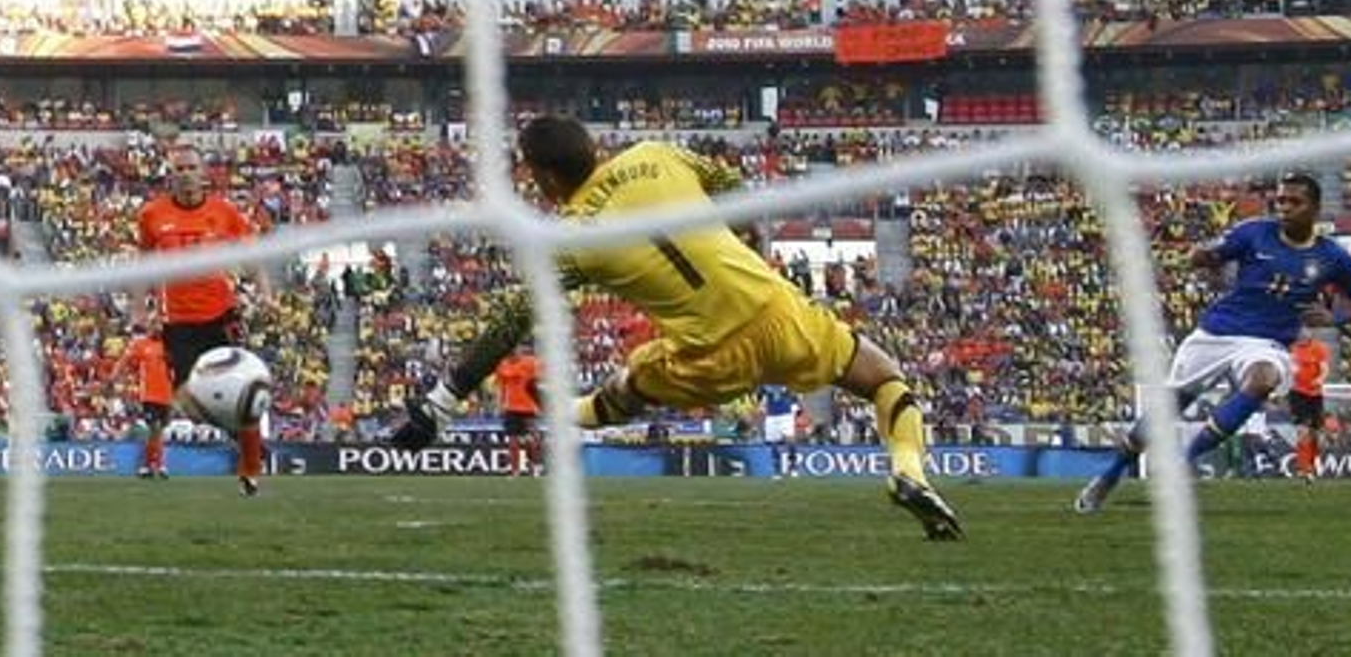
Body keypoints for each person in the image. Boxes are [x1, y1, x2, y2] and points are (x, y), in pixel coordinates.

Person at [394, 115, 961, 540]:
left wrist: (442, 403)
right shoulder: (657, 154)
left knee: (630, 387)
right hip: (778, 310)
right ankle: (909, 473)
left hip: (713, 357)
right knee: (885, 379)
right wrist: (746, 239)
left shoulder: (569, 238)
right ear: (594, 147)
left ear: (541, 176)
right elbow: (731, 184)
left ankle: (561, 410)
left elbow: (509, 320)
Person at [1075, 172, 1351, 513]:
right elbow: (1212, 255)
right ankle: (1110, 475)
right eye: (1280, 201)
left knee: (1264, 379)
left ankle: (1182, 463)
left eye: (1295, 202)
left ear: (1315, 208)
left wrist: (1336, 318)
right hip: (1216, 333)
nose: (1285, 208)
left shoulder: (1332, 257)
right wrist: (1201, 257)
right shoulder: (1253, 232)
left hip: (1267, 343)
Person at [132, 145, 274, 497]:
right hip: (178, 321)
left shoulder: (224, 212)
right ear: (170, 174)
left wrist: (265, 291)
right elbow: (142, 266)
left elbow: (252, 255)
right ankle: (234, 431)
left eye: (191, 167)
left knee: (243, 388)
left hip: (221, 316)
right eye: (178, 168)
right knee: (188, 400)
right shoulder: (151, 215)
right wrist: (139, 308)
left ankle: (251, 468)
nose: (185, 174)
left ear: (203, 172)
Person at [117, 322, 174, 479]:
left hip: (166, 395)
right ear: (150, 328)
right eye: (154, 326)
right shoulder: (141, 345)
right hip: (149, 395)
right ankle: (160, 465)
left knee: (158, 432)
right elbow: (125, 360)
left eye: (160, 327)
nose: (157, 329)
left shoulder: (169, 345)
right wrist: (114, 376)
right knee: (155, 428)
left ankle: (148, 466)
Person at [1287, 327, 1330, 483]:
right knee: (1302, 431)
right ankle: (1304, 469)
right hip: (1297, 393)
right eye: (1301, 331)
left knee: (1315, 434)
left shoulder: (1319, 348)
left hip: (1315, 394)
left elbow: (1325, 369)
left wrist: (1320, 379)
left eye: (1306, 331)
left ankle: (1310, 465)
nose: (1303, 334)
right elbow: (1287, 367)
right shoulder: (1291, 348)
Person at [493, 348, 544, 477]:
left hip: (528, 408)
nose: (513, 354)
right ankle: (515, 470)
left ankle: (535, 466)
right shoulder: (502, 365)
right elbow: (501, 387)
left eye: (515, 351)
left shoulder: (530, 363)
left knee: (531, 440)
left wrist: (539, 405)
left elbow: (536, 384)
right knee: (512, 441)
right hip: (511, 408)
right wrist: (499, 405)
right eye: (510, 353)